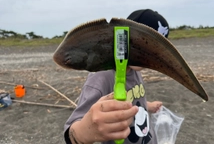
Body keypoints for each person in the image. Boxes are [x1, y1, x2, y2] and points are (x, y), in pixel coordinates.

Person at [64, 9, 170, 144]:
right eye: (141, 47)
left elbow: (134, 99)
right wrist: (83, 132)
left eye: (155, 52)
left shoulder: (135, 70)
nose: (147, 57)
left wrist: (148, 106)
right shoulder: (101, 77)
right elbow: (72, 130)